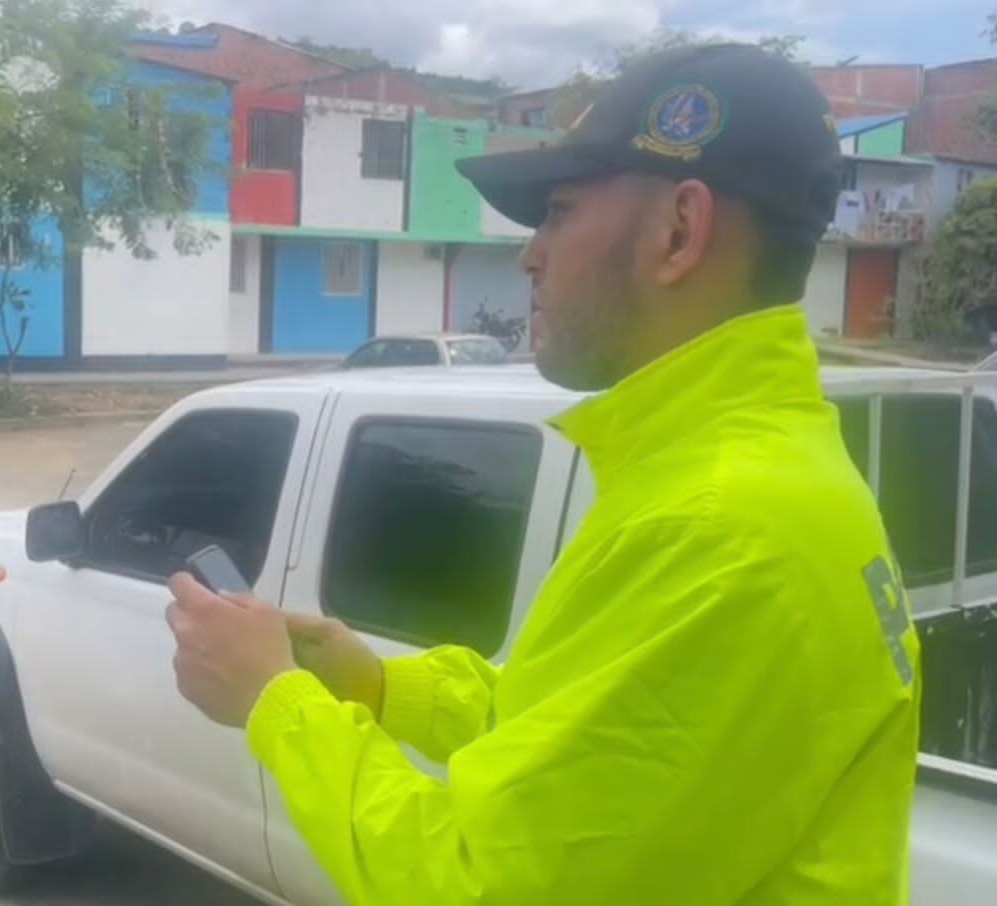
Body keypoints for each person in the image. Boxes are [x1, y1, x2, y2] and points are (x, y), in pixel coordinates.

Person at [167, 44, 919, 905]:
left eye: (558, 213)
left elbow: (478, 886)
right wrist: (378, 688)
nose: (530, 257)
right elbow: (577, 743)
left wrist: (276, 704)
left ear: (679, 231)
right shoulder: (756, 470)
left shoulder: (721, 528)